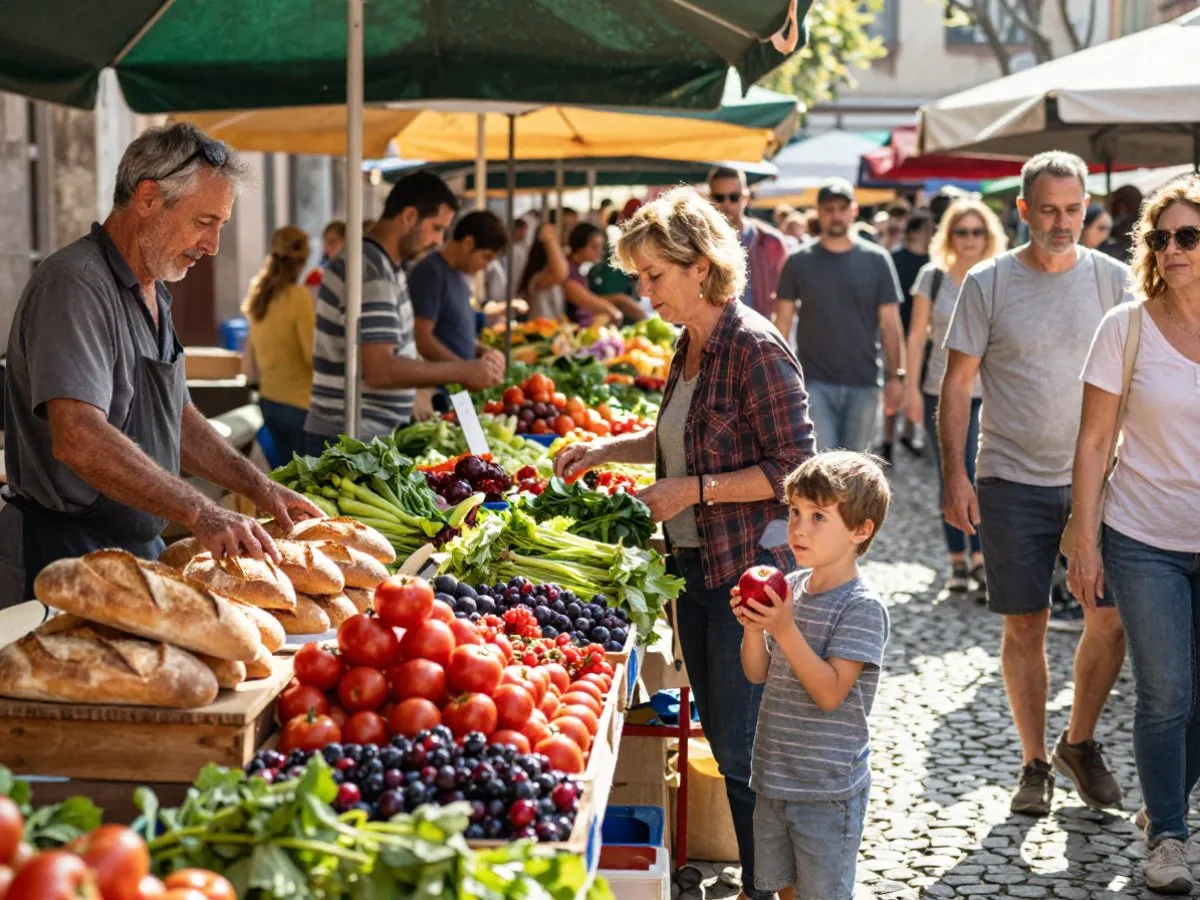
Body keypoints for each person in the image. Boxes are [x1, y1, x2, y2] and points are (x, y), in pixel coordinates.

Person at [552, 186, 814, 900]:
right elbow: (676, 439)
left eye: (653, 275)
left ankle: (773, 886)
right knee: (729, 744)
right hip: (693, 572)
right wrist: (606, 448)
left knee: (743, 748)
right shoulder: (688, 343)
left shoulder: (754, 346)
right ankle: (763, 879)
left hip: (748, 578)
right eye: (638, 276)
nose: (644, 289)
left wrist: (693, 491)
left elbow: (796, 469)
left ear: (701, 266)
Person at [0, 123, 322, 604]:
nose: (212, 245)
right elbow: (78, 437)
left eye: (221, 226)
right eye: (203, 221)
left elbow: (178, 419)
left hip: (133, 549)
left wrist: (261, 489)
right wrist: (200, 511)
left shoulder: (155, 291)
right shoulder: (74, 284)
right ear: (148, 198)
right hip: (63, 554)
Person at [940, 150, 1131, 817]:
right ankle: (1032, 762)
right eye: (1047, 210)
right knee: (1026, 622)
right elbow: (957, 385)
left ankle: (1078, 742)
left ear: (1087, 207)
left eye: (1073, 209)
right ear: (1021, 210)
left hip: (1103, 485)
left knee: (1109, 619)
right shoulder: (988, 283)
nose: (1061, 222)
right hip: (1010, 477)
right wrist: (954, 475)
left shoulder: (1114, 280)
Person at [1069, 176, 1200, 895]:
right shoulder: (1126, 326)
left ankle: (1164, 805)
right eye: (1161, 237)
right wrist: (1085, 542)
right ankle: (1170, 843)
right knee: (1167, 689)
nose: (1172, 249)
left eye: (1187, 236)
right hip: (1142, 534)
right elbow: (1092, 444)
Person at [733, 451, 891, 900]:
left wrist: (782, 628)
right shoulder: (792, 587)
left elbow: (829, 693)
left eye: (819, 516)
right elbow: (757, 672)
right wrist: (753, 630)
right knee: (783, 888)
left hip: (825, 790)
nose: (799, 527)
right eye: (795, 512)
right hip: (774, 775)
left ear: (861, 530)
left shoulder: (861, 607)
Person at [304, 172, 504, 453]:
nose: (439, 241)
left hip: (363, 433)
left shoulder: (383, 265)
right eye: (436, 228)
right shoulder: (372, 271)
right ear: (409, 216)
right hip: (351, 437)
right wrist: (462, 370)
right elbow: (380, 370)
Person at [905, 199, 1008, 595]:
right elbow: (916, 338)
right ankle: (956, 559)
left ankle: (981, 557)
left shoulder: (998, 276)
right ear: (949, 235)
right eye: (961, 231)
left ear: (989, 236)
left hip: (991, 394)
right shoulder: (932, 277)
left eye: (977, 232)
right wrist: (911, 389)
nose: (969, 239)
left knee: (983, 475)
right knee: (952, 472)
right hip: (939, 391)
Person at [774, 177, 906, 453]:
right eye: (829, 208)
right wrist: (779, 380)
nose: (835, 215)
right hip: (813, 383)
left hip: (864, 382)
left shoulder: (877, 260)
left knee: (855, 473)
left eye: (841, 208)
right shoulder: (798, 261)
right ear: (818, 212)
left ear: (854, 211)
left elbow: (891, 324)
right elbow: (782, 325)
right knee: (823, 467)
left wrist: (897, 377)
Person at [242, 225, 316, 464]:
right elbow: (311, 355)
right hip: (300, 405)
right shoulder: (298, 297)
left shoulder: (259, 294)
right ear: (303, 260)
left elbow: (250, 357)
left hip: (269, 401)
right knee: (307, 486)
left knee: (286, 478)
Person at [410, 210, 508, 371]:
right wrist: (464, 370)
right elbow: (422, 339)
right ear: (468, 243)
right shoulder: (431, 273)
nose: (487, 266)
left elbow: (454, 334)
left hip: (458, 388)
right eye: (486, 257)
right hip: (438, 390)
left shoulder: (458, 275)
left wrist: (483, 352)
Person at [883, 212, 934, 462]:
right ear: (914, 232)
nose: (931, 233)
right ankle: (888, 440)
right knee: (895, 385)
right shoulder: (894, 259)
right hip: (897, 329)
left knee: (919, 385)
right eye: (926, 229)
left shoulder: (933, 262)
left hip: (924, 334)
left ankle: (909, 432)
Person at [708, 166, 788, 322]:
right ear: (710, 199)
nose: (726, 204)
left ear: (745, 197)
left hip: (759, 338)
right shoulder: (700, 244)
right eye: (719, 197)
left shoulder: (770, 242)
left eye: (734, 197)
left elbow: (784, 301)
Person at [564, 223, 635, 325]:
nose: (599, 252)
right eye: (594, 247)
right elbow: (581, 297)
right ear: (580, 246)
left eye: (601, 247)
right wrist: (612, 310)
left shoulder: (579, 269)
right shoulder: (567, 269)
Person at [520, 223, 571, 321]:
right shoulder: (538, 278)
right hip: (538, 332)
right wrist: (550, 239)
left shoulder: (551, 278)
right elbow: (560, 273)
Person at [1100, 185, 1144, 263]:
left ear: (1122, 207)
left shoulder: (1125, 230)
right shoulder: (1146, 227)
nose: (1111, 209)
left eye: (1113, 204)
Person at [305, 219, 346, 289]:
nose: (326, 249)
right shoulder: (318, 274)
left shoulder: (353, 273)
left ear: (345, 242)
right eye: (325, 243)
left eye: (332, 242)